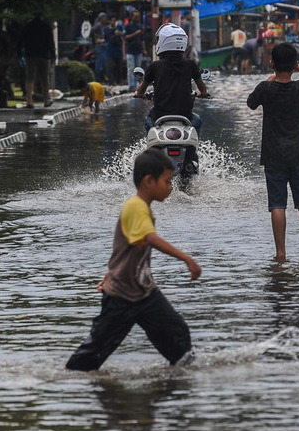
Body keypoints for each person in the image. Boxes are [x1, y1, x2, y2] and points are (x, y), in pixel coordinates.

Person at [65, 149, 202, 371]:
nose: (170, 187)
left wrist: (111, 272)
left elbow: (126, 249)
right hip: (121, 296)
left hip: (144, 292)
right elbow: (149, 238)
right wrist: (187, 259)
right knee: (95, 351)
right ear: (149, 181)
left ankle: (180, 381)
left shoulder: (142, 208)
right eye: (167, 182)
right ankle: (66, 379)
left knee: (177, 331)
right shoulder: (136, 206)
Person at [246, 41, 299, 260]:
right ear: (294, 64)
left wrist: (269, 79)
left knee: (277, 205)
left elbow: (251, 103)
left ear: (272, 63)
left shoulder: (265, 88)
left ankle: (281, 254)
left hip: (273, 156)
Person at [133, 23, 209, 134]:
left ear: (162, 42)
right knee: (197, 120)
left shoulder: (155, 66)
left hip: (159, 115)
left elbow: (141, 89)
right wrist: (203, 93)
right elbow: (202, 86)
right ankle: (195, 148)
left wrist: (138, 94)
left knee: (148, 121)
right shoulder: (191, 64)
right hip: (185, 115)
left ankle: (150, 148)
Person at [19, 10, 56, 108]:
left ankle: (29, 101)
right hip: (44, 55)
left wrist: (19, 54)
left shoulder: (27, 26)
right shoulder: (46, 26)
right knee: (44, 78)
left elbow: (20, 41)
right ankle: (46, 100)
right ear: (42, 15)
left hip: (30, 55)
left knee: (30, 77)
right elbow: (51, 43)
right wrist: (53, 56)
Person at [124, 10, 145, 89]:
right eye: (135, 17)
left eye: (138, 17)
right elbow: (125, 37)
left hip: (138, 50)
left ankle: (138, 84)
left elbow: (142, 39)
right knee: (131, 68)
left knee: (138, 68)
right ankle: (131, 85)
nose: (137, 18)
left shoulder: (140, 26)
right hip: (130, 50)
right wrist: (136, 33)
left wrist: (144, 49)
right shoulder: (127, 26)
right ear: (131, 17)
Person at [103, 14, 124, 86]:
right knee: (110, 67)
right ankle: (111, 82)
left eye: (115, 20)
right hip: (110, 50)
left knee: (119, 68)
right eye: (112, 20)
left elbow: (124, 35)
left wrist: (120, 34)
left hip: (118, 49)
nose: (113, 22)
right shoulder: (106, 29)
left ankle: (118, 81)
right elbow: (105, 38)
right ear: (109, 21)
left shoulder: (119, 27)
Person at [92, 13, 109, 84]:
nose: (105, 19)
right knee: (100, 63)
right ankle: (98, 79)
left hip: (104, 45)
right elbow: (92, 31)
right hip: (100, 46)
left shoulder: (104, 26)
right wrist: (97, 38)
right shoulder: (98, 25)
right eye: (104, 18)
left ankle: (104, 78)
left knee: (104, 63)